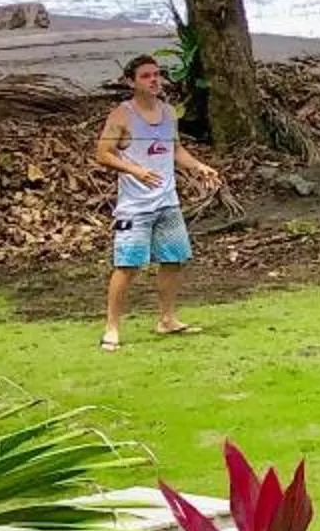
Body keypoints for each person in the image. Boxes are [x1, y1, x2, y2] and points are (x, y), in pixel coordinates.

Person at [95, 52, 224, 351]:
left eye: (157, 74)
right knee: (127, 266)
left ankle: (167, 319)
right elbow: (103, 154)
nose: (154, 80)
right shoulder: (121, 115)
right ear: (131, 82)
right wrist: (136, 170)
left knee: (174, 259)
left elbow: (175, 151)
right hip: (135, 206)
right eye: (146, 76)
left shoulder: (168, 112)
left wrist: (199, 166)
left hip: (167, 201)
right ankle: (112, 327)